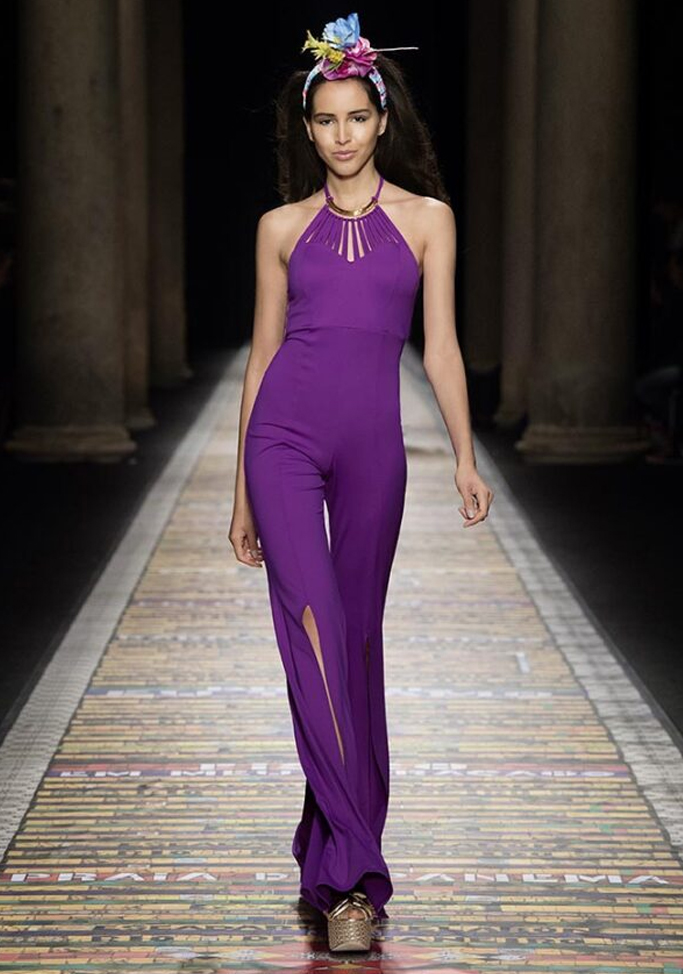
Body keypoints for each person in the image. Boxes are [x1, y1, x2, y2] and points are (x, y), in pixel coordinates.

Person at [229, 12, 494, 953]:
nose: (340, 135)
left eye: (355, 117)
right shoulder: (278, 228)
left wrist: (463, 455)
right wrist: (240, 492)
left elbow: (442, 348)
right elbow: (262, 357)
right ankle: (352, 883)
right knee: (314, 636)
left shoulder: (428, 222)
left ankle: (324, 846)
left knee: (356, 648)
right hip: (283, 443)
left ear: (381, 120)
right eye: (324, 120)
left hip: (375, 450)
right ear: (307, 131)